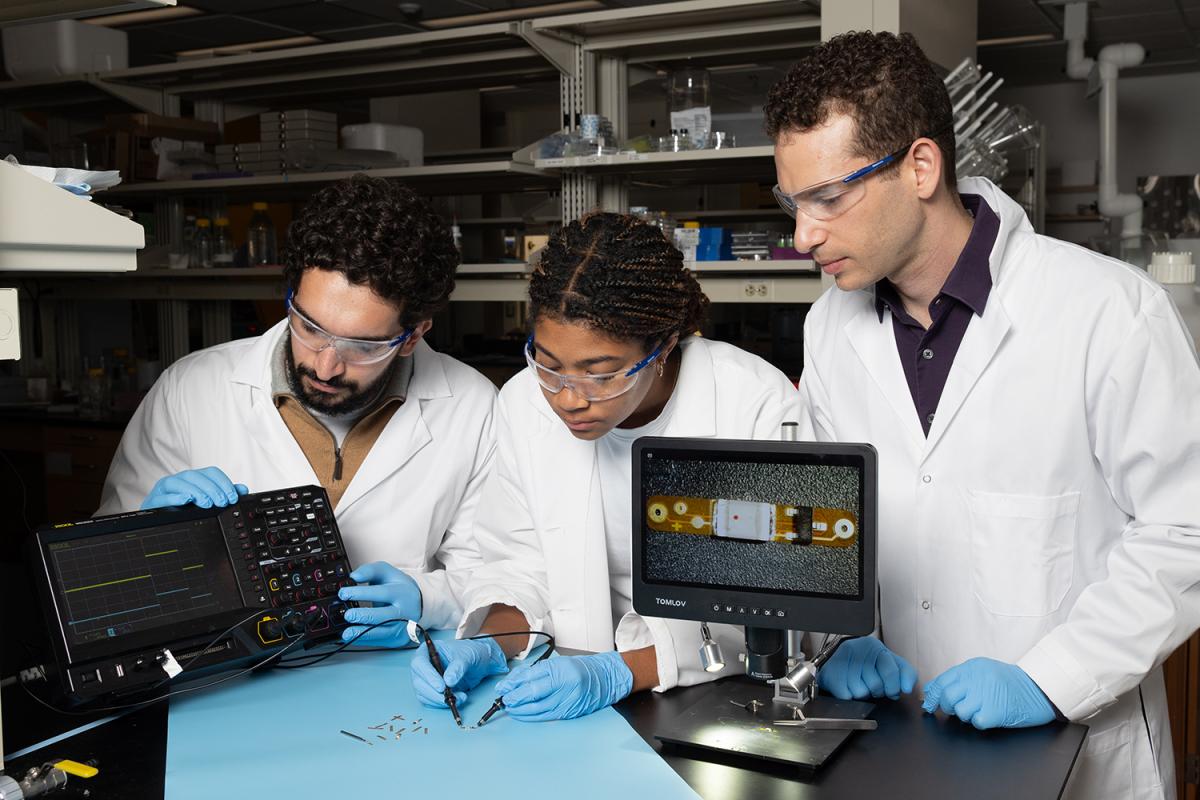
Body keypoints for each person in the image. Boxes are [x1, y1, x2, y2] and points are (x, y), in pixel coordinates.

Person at [765, 30, 1200, 798]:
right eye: (791, 204)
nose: (803, 237)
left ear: (921, 167)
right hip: (901, 743)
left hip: (1079, 750)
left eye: (828, 199)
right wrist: (843, 637)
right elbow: (835, 517)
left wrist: (1051, 679)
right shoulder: (829, 329)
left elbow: (1185, 529)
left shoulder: (1108, 311)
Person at [408, 211, 801, 721]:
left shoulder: (751, 404)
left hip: (715, 694)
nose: (568, 398)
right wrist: (488, 643)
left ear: (660, 348)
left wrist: (620, 671)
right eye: (548, 364)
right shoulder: (524, 403)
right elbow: (518, 562)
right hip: (567, 678)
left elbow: (776, 605)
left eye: (601, 374)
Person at [98, 175, 498, 637]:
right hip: (229, 674)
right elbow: (107, 579)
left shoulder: (472, 405)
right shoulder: (192, 389)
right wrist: (148, 533)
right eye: (309, 326)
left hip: (394, 676)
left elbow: (496, 572)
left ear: (413, 335)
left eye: (363, 347)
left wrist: (430, 602)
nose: (326, 366)